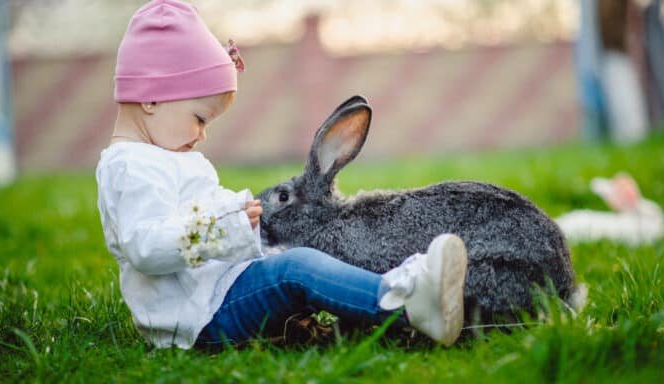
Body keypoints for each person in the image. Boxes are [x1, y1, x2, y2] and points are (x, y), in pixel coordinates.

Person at [95, 0, 468, 350]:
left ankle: (401, 291)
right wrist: (222, 226)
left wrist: (243, 225)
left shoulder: (167, 156)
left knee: (296, 262)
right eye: (199, 119)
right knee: (298, 268)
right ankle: (406, 302)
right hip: (199, 317)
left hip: (220, 289)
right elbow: (145, 247)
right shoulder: (131, 168)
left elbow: (204, 224)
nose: (202, 134)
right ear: (151, 98)